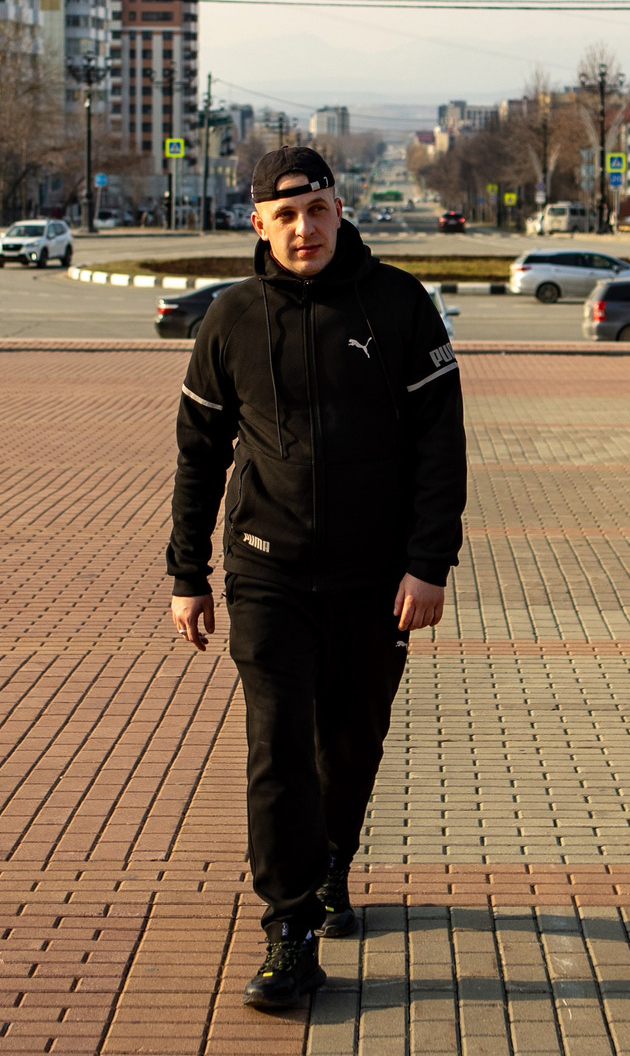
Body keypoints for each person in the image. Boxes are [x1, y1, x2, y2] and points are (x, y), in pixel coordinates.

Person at [165, 146, 467, 1012]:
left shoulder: (399, 305)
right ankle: (289, 930)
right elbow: (198, 455)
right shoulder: (230, 319)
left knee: (352, 738)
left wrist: (428, 563)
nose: (306, 229)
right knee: (279, 747)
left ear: (341, 210)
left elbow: (440, 444)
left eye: (319, 210)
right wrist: (188, 572)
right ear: (259, 223)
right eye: (287, 215)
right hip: (268, 570)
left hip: (376, 579)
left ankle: (333, 859)